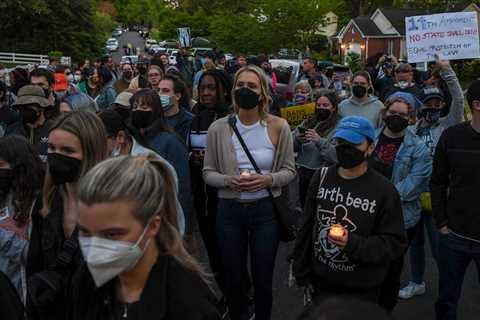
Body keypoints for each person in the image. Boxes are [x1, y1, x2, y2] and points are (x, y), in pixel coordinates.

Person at [67, 156, 220, 320]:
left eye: (112, 234)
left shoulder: (189, 302)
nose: (96, 247)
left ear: (153, 226)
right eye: (85, 232)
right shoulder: (86, 281)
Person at [203, 65, 296, 320]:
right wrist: (228, 181)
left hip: (266, 212)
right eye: (241, 85)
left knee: (264, 281)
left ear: (263, 92)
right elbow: (207, 172)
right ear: (233, 92)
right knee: (233, 279)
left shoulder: (279, 126)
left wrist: (267, 179)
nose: (246, 90)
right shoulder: (218, 128)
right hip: (229, 213)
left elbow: (290, 170)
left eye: (252, 86)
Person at [293, 116, 407, 306]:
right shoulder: (321, 177)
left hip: (363, 289)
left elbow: (394, 244)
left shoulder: (384, 190)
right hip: (321, 283)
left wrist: (352, 243)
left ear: (370, 148)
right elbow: (306, 227)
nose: (345, 148)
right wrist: (301, 271)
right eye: (341, 142)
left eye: (353, 143)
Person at [26, 111, 108, 320]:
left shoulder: (113, 207)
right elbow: (35, 266)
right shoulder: (47, 201)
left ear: (91, 154)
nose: (56, 156)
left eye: (68, 150)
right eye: (52, 148)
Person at [399, 60, 464, 300]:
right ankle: (417, 282)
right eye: (429, 104)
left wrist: (447, 70)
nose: (433, 107)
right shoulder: (412, 130)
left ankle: (449, 288)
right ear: (421, 106)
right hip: (415, 196)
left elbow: (458, 99)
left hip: (439, 198)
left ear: (442, 105)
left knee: (440, 248)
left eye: (437, 103)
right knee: (415, 244)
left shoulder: (447, 126)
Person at [368, 91, 431, 312]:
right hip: (367, 215)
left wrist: (378, 197)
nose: (396, 116)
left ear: (411, 118)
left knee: (391, 270)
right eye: (392, 112)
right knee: (367, 266)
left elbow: (414, 185)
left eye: (402, 114)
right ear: (385, 113)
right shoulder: (371, 138)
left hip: (401, 219)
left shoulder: (419, 149)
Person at [431, 80, 480, 320]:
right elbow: (438, 182)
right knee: (447, 299)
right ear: (477, 105)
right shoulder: (452, 137)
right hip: (455, 237)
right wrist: (442, 223)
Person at [189, 69, 232, 294]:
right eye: (202, 88)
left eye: (211, 88)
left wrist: (215, 158)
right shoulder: (195, 116)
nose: (205, 93)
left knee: (231, 254)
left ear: (224, 90)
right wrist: (195, 159)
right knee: (214, 253)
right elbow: (188, 150)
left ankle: (241, 296)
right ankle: (225, 293)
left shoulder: (234, 119)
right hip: (203, 200)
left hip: (227, 199)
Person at [129, 89, 192, 232]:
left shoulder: (170, 141)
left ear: (155, 110)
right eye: (135, 107)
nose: (138, 111)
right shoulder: (131, 140)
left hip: (164, 217)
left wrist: (180, 227)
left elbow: (182, 187)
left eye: (144, 107)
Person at [0, 135, 43, 303]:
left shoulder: (38, 203)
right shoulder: (4, 194)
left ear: (19, 166)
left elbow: (33, 255)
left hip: (21, 295)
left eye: (1, 165)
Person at [294, 90, 340, 207]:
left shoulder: (338, 126)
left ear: (333, 108)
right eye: (318, 105)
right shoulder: (309, 121)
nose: (321, 108)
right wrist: (298, 140)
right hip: (302, 172)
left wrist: (319, 140)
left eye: (325, 105)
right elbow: (290, 145)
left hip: (322, 175)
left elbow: (335, 156)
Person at [5, 85, 53, 163]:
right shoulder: (11, 131)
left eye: (29, 105)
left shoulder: (54, 130)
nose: (24, 109)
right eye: (21, 106)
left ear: (42, 106)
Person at [159, 74, 194, 144]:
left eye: (165, 91)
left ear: (177, 96)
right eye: (158, 90)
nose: (160, 94)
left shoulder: (190, 121)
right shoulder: (153, 119)